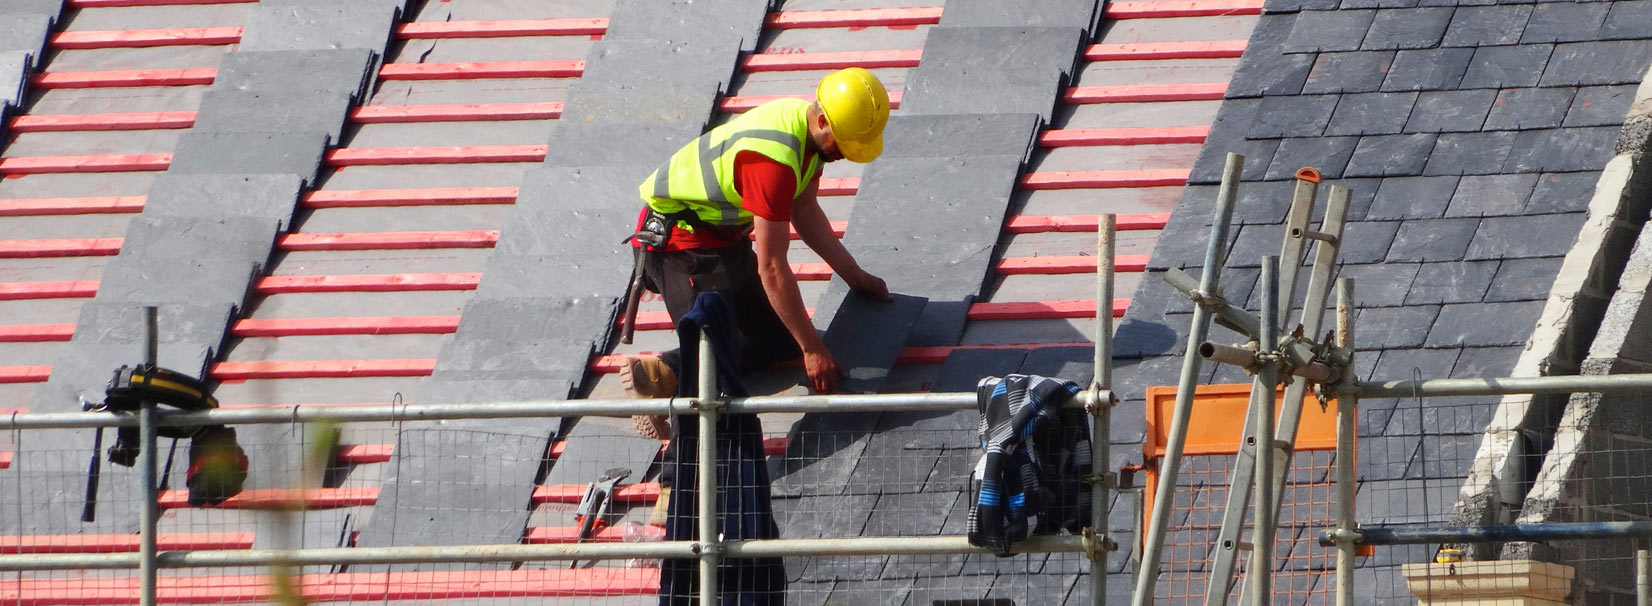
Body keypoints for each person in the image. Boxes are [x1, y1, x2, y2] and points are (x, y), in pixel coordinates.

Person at [621, 67, 894, 438]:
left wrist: (855, 277)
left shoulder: (808, 140)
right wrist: (813, 349)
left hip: (722, 245)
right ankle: (675, 483)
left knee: (782, 338)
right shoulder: (774, 159)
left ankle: (663, 373)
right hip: (678, 245)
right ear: (824, 121)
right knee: (710, 371)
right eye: (844, 144)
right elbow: (772, 267)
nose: (846, 155)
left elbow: (807, 214)